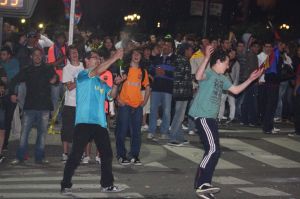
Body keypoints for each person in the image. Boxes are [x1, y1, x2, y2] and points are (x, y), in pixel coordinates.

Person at [189, 46, 263, 199]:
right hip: (203, 116)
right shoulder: (209, 73)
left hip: (211, 118)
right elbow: (198, 76)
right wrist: (206, 58)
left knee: (215, 151)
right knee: (213, 149)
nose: (228, 66)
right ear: (218, 61)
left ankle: (205, 184)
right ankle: (201, 183)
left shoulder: (223, 78)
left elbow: (235, 91)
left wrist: (251, 79)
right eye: (227, 63)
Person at [60, 49, 125, 195]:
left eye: (98, 58)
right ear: (87, 61)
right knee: (76, 155)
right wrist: (114, 57)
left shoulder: (100, 81)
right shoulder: (83, 75)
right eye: (94, 58)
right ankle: (65, 184)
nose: (97, 60)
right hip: (84, 122)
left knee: (107, 154)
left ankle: (107, 185)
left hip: (100, 123)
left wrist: (115, 84)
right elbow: (96, 71)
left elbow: (111, 96)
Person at [10, 48, 57, 164]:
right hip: (30, 106)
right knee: (24, 133)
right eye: (35, 55)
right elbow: (13, 80)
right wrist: (12, 93)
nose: (37, 57)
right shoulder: (27, 69)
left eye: (39, 55)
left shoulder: (48, 68)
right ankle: (20, 157)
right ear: (31, 57)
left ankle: (40, 157)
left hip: (44, 106)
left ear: (42, 56)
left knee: (42, 134)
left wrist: (55, 79)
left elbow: (57, 80)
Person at [115, 48, 150, 165]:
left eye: (139, 54)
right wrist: (118, 99)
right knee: (122, 131)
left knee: (136, 132)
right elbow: (116, 84)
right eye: (134, 54)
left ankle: (134, 155)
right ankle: (121, 155)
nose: (136, 56)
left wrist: (144, 102)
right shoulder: (124, 69)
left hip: (137, 106)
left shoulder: (143, 71)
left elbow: (148, 87)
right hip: (124, 104)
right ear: (131, 56)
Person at [61, 45, 84, 163]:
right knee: (67, 129)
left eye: (76, 52)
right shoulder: (67, 69)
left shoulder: (84, 66)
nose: (75, 54)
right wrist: (80, 79)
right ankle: (65, 153)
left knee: (80, 130)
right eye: (72, 52)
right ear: (69, 56)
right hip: (70, 103)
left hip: (83, 103)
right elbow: (69, 87)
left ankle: (78, 153)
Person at [168, 43, 193, 146]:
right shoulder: (182, 61)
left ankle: (179, 137)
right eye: (190, 50)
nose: (191, 52)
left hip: (181, 92)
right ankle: (173, 138)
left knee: (179, 115)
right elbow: (179, 78)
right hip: (181, 93)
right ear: (186, 50)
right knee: (179, 115)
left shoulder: (180, 60)